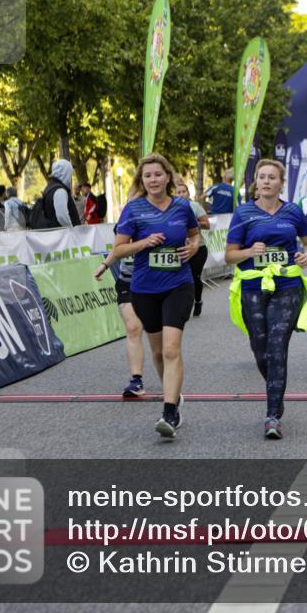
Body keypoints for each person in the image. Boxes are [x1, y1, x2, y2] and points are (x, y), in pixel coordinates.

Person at [225, 159, 307, 440]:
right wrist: (249, 251)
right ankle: (276, 390)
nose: (266, 181)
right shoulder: (243, 213)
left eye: (272, 177)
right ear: (257, 182)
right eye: (262, 177)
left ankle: (272, 414)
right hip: (253, 286)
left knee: (277, 347)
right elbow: (229, 255)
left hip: (287, 285)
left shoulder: (293, 211)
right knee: (260, 349)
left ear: (281, 183)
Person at [113, 153, 200, 439]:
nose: (153, 180)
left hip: (179, 284)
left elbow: (194, 233)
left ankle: (170, 411)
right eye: (148, 175)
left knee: (173, 347)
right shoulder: (133, 209)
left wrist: (194, 248)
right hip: (144, 289)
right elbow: (118, 250)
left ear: (168, 177)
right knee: (159, 351)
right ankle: (172, 394)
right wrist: (144, 243)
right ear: (142, 180)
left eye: (158, 174)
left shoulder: (182, 206)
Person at [95, 189, 148, 398]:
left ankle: (170, 377)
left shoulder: (160, 220)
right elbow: (118, 248)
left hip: (155, 283)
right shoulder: (125, 222)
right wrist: (105, 265)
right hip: (128, 281)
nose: (131, 207)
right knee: (133, 328)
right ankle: (136, 380)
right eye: (129, 203)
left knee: (160, 340)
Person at [175, 180, 210, 317]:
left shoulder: (194, 206)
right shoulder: (171, 208)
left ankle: (198, 300)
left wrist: (192, 224)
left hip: (198, 248)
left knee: (195, 277)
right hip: (180, 249)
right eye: (178, 192)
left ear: (188, 193)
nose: (181, 194)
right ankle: (183, 304)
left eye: (184, 191)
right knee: (181, 278)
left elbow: (207, 224)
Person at [37, 159, 81, 228]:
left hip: (57, 234)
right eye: (70, 173)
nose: (70, 176)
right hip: (63, 235)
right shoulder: (60, 190)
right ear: (65, 172)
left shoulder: (51, 187)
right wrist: (71, 230)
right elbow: (62, 216)